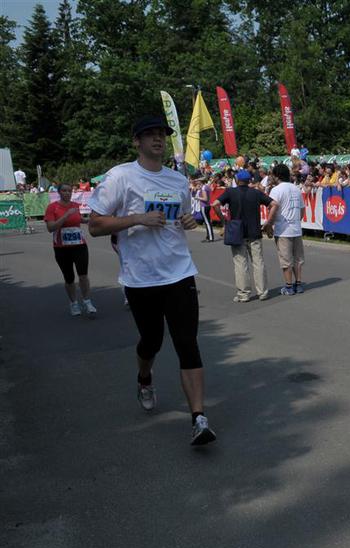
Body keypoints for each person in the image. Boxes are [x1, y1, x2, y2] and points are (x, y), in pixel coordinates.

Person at [87, 115, 215, 445]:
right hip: (140, 278)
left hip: (179, 273)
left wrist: (189, 221)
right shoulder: (121, 177)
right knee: (152, 341)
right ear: (137, 141)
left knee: (187, 343)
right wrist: (138, 218)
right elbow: (96, 225)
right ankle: (145, 376)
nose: (158, 139)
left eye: (162, 134)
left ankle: (198, 418)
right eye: (150, 134)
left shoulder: (176, 180)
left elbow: (184, 219)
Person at [213, 169, 277, 302]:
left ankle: (244, 294)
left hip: (237, 231)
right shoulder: (256, 193)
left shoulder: (231, 192)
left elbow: (215, 204)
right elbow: (274, 204)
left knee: (240, 263)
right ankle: (263, 292)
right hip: (254, 231)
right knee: (258, 262)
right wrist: (268, 222)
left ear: (237, 180)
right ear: (249, 181)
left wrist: (224, 222)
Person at [45, 183, 97, 317]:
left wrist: (90, 219)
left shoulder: (75, 205)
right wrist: (66, 215)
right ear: (59, 192)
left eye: (69, 190)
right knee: (69, 278)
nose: (67, 193)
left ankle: (87, 301)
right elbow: (51, 227)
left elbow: (78, 219)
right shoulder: (52, 207)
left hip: (79, 245)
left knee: (83, 275)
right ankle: (74, 303)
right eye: (64, 190)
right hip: (61, 248)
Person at [262, 163, 306, 296]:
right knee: (297, 259)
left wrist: (269, 225)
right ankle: (298, 284)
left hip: (283, 229)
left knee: (286, 260)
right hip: (296, 229)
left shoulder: (276, 190)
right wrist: (296, 221)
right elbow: (302, 210)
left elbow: (273, 209)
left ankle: (288, 286)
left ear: (276, 176)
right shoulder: (296, 189)